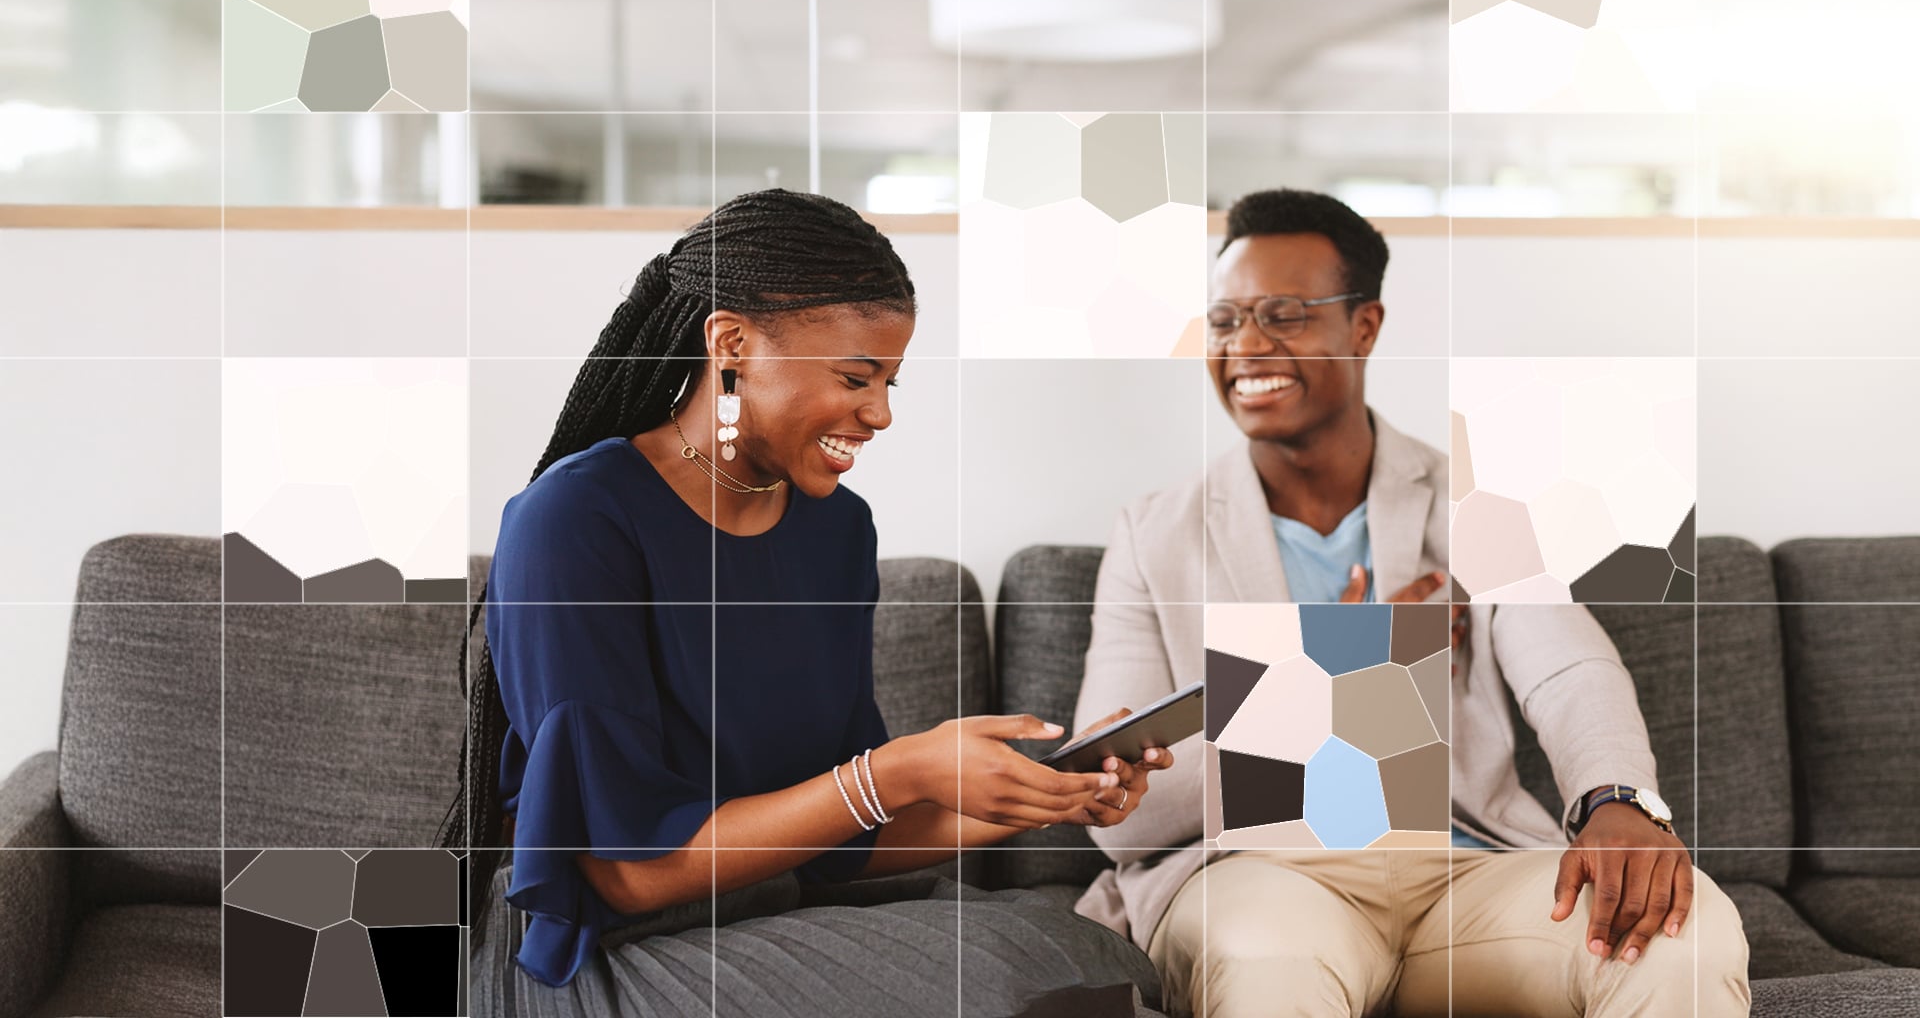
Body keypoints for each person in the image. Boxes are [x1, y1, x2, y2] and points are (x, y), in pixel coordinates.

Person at [438, 190, 1168, 1018]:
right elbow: (627, 871)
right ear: (732, 345)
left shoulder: (837, 529)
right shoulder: (575, 522)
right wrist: (896, 772)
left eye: (891, 381)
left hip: (770, 914)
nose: (881, 413)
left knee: (1078, 956)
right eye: (857, 377)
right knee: (1004, 976)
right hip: (609, 952)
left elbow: (838, 844)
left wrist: (1042, 796)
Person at [1072, 189, 1750, 1016]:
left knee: (1686, 935)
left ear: (1364, 327)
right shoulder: (1153, 535)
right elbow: (1117, 810)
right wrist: (1340, 673)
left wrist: (1617, 799)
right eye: (1224, 320)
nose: (1246, 344)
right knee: (1267, 960)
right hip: (1255, 876)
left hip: (1465, 872)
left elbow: (1569, 670)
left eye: (1283, 315)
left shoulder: (1475, 501)